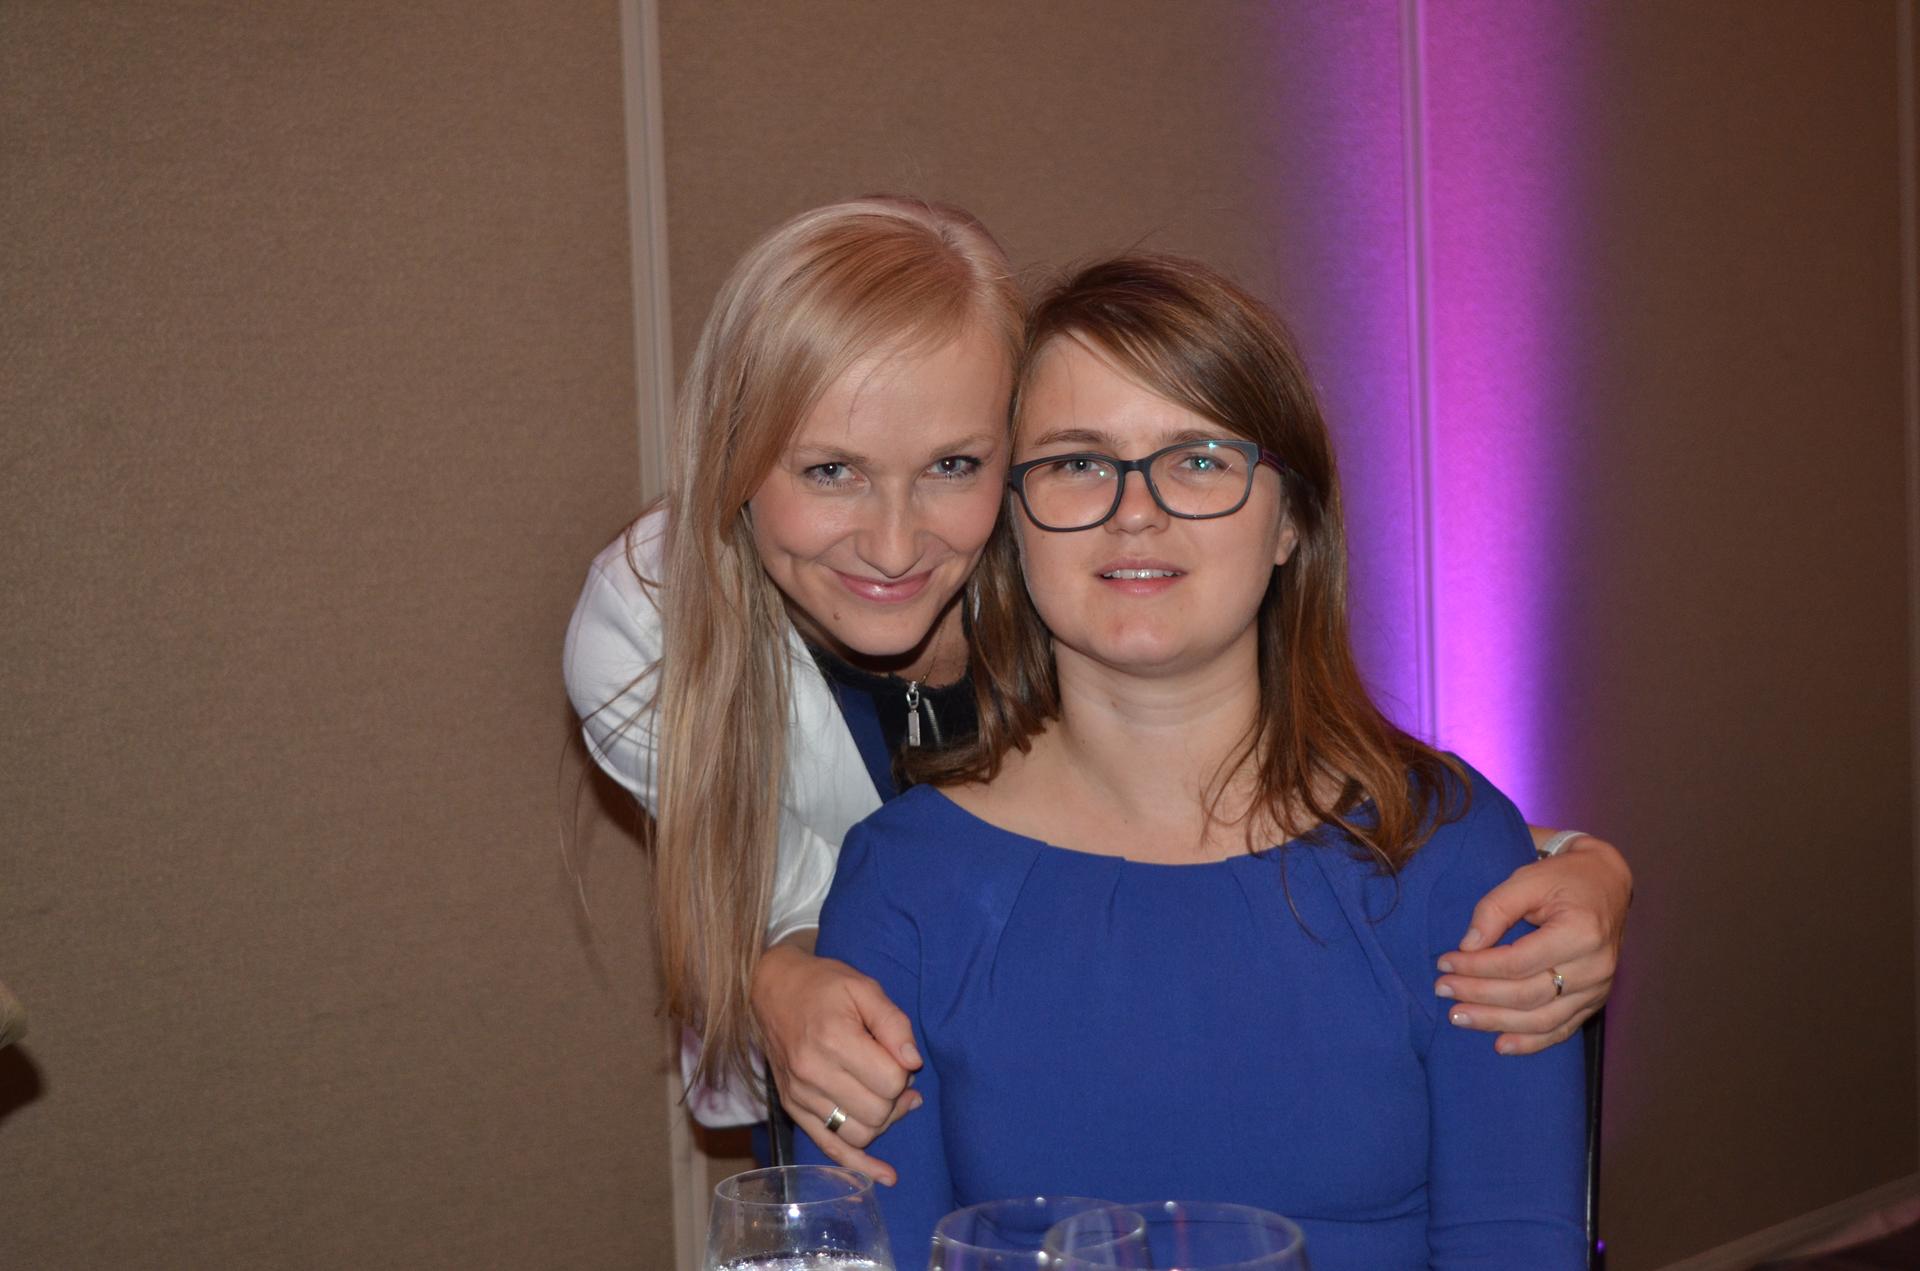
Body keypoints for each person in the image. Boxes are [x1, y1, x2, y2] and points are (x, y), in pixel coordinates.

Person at [563, 197, 1629, 1184]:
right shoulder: (650, 631)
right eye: (829, 470)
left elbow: (1288, 814)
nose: (893, 544)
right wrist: (775, 976)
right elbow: (776, 897)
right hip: (882, 1069)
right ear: (735, 465)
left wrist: (1579, 863)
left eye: (954, 464)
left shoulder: (1081, 571)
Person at [796, 253, 1588, 1266]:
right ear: (1011, 524)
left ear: (1291, 520)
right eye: (1077, 462)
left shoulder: (1446, 850)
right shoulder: (904, 880)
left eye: (1201, 459)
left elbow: (1516, 1243)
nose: (1137, 509)